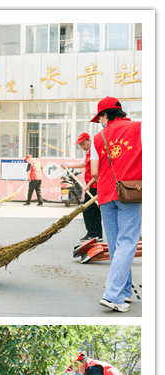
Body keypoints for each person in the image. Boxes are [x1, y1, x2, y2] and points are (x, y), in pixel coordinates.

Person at [85, 96, 142, 313]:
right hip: (129, 193)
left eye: (100, 116)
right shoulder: (140, 129)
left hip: (106, 195)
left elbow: (96, 172)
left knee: (118, 246)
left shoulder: (98, 137)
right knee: (127, 243)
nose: (100, 120)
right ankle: (113, 295)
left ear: (106, 115)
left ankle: (125, 291)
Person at [62, 132, 103, 242]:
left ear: (89, 141)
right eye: (80, 145)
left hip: (96, 185)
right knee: (92, 210)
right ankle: (95, 234)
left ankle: (94, 234)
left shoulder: (95, 151)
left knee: (88, 210)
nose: (82, 147)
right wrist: (68, 166)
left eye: (83, 144)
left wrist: (88, 185)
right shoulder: (88, 153)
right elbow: (84, 164)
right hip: (91, 185)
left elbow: (98, 172)